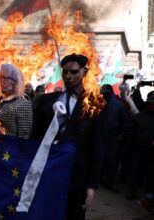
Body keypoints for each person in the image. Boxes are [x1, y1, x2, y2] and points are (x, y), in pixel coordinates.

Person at [32, 53, 106, 220]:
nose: (68, 76)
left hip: (77, 176)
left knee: (73, 215)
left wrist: (91, 185)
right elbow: (35, 138)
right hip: (49, 171)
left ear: (84, 72)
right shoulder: (45, 101)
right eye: (65, 72)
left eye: (74, 72)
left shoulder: (95, 104)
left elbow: (98, 147)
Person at [124, 91, 154, 200]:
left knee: (150, 176)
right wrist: (129, 147)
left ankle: (147, 198)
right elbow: (129, 133)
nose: (152, 106)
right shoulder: (138, 117)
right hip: (137, 151)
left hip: (151, 153)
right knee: (135, 173)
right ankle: (131, 192)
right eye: (150, 103)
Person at [0, 63, 33, 139]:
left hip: (9, 148)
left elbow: (24, 137)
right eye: (3, 77)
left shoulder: (23, 104)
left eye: (10, 78)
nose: (5, 81)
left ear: (17, 81)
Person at [100, 84, 129, 193]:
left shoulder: (118, 105)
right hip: (101, 136)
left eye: (105, 92)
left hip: (113, 137)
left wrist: (121, 135)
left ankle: (109, 182)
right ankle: (97, 180)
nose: (104, 94)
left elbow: (125, 121)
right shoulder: (98, 102)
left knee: (112, 161)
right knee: (99, 158)